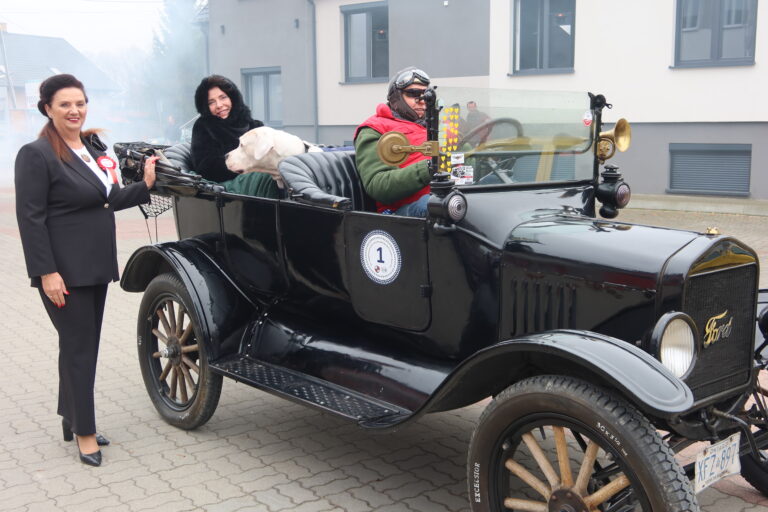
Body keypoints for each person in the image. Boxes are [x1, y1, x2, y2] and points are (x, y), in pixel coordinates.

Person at [14, 74, 157, 467]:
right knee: (79, 349)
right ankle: (84, 432)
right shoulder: (36, 154)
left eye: (80, 103)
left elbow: (106, 199)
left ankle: (71, 416)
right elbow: (30, 218)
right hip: (64, 273)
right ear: (47, 108)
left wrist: (145, 185)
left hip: (96, 264)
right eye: (64, 104)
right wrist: (46, 273)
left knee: (82, 345)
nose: (74, 110)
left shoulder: (91, 147)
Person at [354, 67, 434, 217]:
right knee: (435, 204)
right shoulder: (375, 128)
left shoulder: (435, 126)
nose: (422, 101)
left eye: (426, 95)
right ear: (396, 97)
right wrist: (430, 167)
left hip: (449, 196)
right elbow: (379, 185)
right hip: (400, 212)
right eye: (414, 94)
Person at [191, 75, 279, 198]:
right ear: (206, 107)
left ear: (233, 98)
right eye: (211, 102)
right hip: (226, 188)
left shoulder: (255, 125)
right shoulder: (203, 127)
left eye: (223, 97)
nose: (219, 105)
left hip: (258, 179)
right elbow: (205, 168)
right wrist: (245, 165)